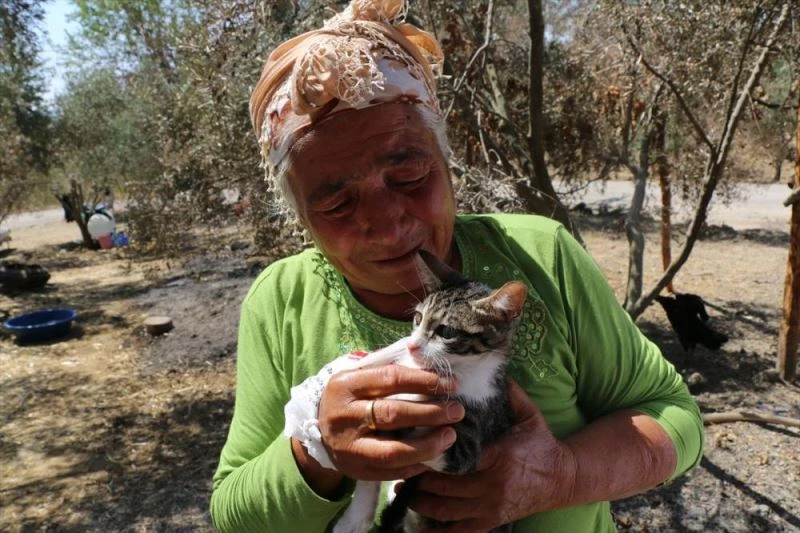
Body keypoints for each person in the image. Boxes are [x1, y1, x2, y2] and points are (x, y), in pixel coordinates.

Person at [210, 1, 704, 531]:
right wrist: (315, 451)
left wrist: (562, 476)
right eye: (337, 204)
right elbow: (233, 516)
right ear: (301, 220)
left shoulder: (543, 256)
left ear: (447, 162)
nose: (389, 225)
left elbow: (677, 418)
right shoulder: (280, 302)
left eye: (409, 176)